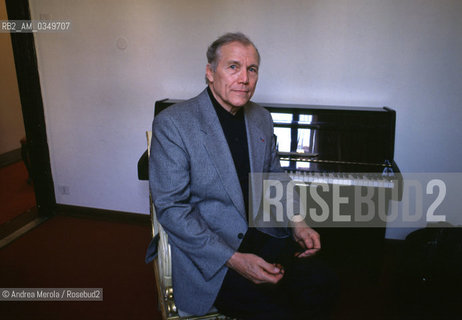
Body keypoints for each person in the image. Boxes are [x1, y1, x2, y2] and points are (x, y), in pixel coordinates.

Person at [146, 32, 337, 319]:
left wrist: (298, 222)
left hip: (262, 234)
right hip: (211, 252)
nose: (244, 78)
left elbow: (274, 176)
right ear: (210, 73)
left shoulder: (261, 117)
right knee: (277, 310)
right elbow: (172, 209)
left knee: (323, 282)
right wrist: (234, 260)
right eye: (233, 66)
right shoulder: (173, 124)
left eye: (252, 69)